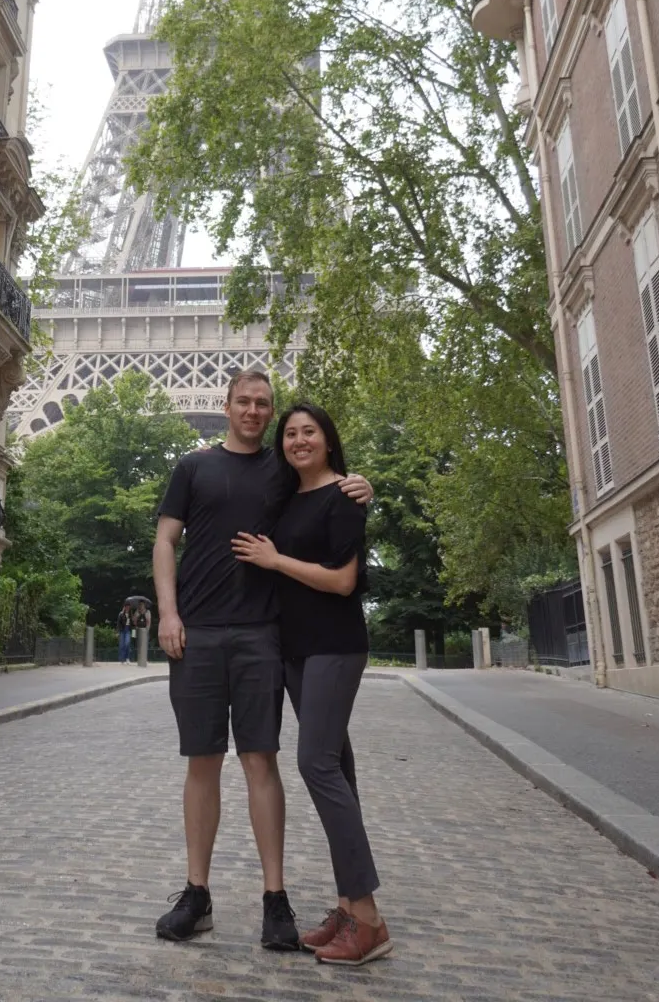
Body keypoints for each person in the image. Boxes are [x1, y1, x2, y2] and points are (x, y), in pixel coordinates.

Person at [152, 369, 373, 949]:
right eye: (244, 401)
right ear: (225, 406)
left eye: (263, 404)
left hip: (260, 634)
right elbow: (164, 541)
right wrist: (168, 613)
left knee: (260, 761)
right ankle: (196, 892)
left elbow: (325, 487)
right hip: (196, 632)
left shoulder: (285, 469)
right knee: (202, 761)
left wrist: (361, 485)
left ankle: (275, 898)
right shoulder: (193, 466)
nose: (253, 410)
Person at [232, 403, 392, 968]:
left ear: (328, 440)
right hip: (296, 649)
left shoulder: (343, 495)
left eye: (310, 432)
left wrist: (276, 562)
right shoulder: (284, 497)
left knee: (316, 764)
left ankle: (368, 918)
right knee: (338, 768)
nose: (300, 441)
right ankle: (350, 907)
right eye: (291, 434)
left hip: (334, 644)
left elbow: (345, 580)